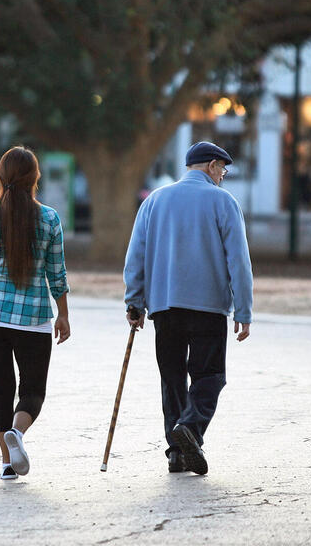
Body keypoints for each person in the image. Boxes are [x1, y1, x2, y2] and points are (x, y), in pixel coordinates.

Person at [123, 140, 253, 475]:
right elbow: (238, 260)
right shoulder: (223, 201)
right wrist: (244, 310)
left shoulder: (155, 201)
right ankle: (191, 429)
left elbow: (136, 255)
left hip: (164, 305)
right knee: (210, 376)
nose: (223, 176)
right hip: (208, 306)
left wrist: (134, 300)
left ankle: (176, 453)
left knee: (172, 377)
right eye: (222, 169)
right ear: (211, 166)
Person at [0, 146, 71, 481]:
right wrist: (63, 314)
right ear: (35, 178)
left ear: (0, 177)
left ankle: (8, 462)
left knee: (2, 388)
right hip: (34, 317)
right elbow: (57, 274)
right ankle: (18, 434)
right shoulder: (50, 219)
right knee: (32, 389)